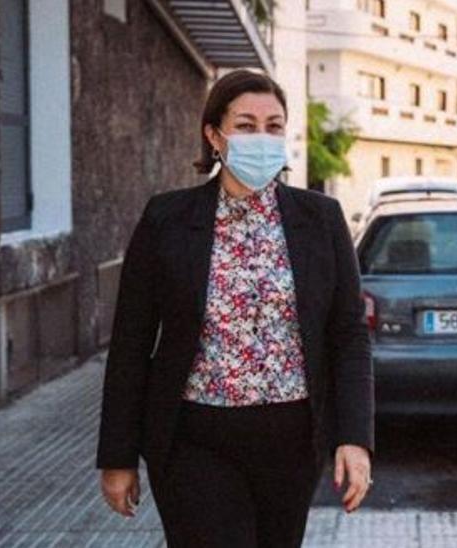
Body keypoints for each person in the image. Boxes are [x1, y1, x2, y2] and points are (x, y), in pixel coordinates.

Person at [95, 70, 374, 547]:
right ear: (214, 134)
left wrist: (355, 437)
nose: (261, 138)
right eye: (245, 126)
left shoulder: (320, 219)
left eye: (273, 126)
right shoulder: (167, 218)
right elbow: (131, 342)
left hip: (291, 443)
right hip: (193, 440)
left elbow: (348, 335)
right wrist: (117, 456)